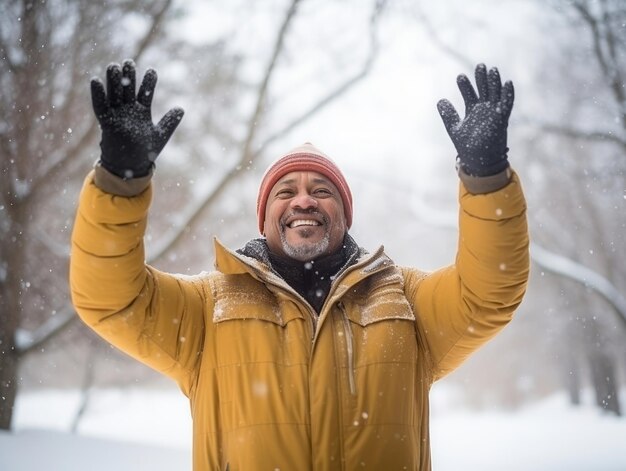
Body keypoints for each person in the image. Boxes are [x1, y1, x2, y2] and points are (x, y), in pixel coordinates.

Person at [70, 59, 529, 470]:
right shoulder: (209, 306)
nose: (303, 200)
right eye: (285, 192)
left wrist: (486, 180)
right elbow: (112, 299)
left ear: (345, 216)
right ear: (265, 216)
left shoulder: (405, 300)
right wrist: (119, 183)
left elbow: (487, 294)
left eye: (322, 191)